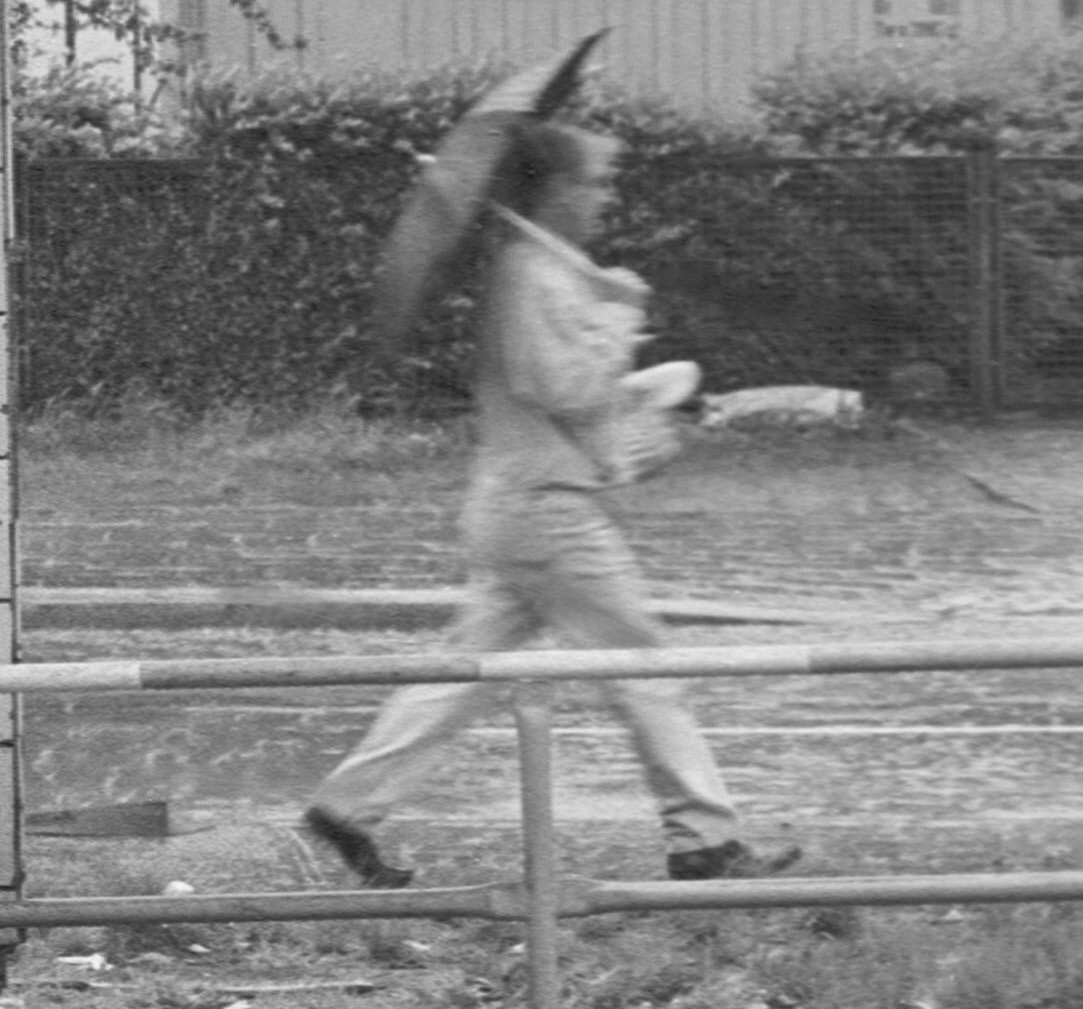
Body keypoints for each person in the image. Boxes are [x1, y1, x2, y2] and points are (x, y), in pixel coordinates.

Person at [300, 119, 795, 889]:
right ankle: (705, 838)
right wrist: (619, 314)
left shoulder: (543, 269)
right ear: (557, 188)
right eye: (596, 181)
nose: (606, 196)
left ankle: (346, 808)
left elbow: (571, 397)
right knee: (646, 664)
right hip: (546, 513)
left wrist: (629, 403)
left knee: (463, 672)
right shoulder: (531, 271)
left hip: (523, 504)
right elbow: (561, 385)